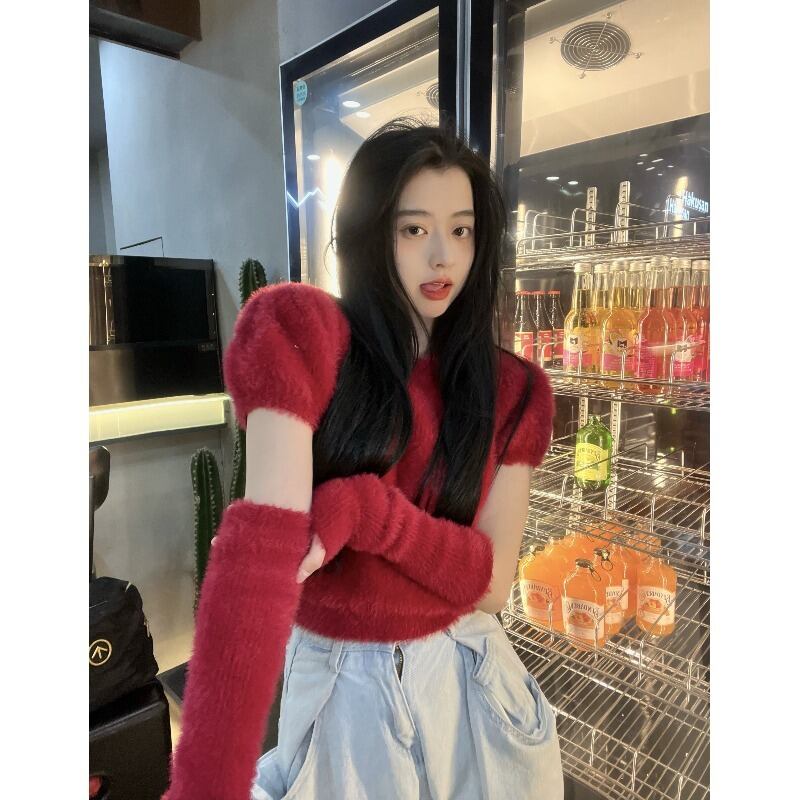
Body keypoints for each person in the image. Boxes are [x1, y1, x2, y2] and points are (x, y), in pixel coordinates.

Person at [163, 117, 562, 800]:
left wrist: (371, 513)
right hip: (344, 687)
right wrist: (203, 786)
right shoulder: (302, 333)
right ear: (371, 233)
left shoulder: (513, 388)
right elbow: (259, 560)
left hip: (471, 679)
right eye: (414, 229)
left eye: (462, 230)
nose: (442, 256)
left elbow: (493, 585)